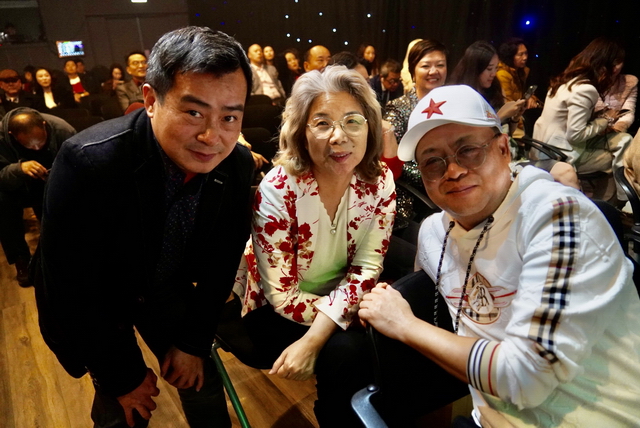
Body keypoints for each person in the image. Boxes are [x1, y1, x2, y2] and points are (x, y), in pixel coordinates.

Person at [359, 84, 640, 427]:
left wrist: (404, 325)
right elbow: (424, 295)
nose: (453, 170)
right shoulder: (433, 233)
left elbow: (527, 376)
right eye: (433, 161)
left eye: (468, 150)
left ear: (504, 149)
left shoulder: (560, 216)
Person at [34, 26, 255, 428]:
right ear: (151, 100)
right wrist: (121, 377)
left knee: (202, 381)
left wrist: (192, 343)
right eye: (193, 113)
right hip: (98, 296)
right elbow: (72, 287)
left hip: (163, 283)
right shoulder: (89, 162)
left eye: (229, 117)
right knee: (122, 408)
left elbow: (222, 262)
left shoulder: (236, 166)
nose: (212, 137)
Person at [234, 65, 395, 427]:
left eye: (353, 121)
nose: (339, 136)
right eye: (322, 123)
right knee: (350, 351)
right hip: (274, 309)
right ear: (301, 133)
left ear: (369, 127)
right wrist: (348, 317)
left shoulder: (380, 179)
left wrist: (315, 338)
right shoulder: (278, 189)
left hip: (345, 295)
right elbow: (283, 297)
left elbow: (367, 268)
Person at [533, 37, 633, 204]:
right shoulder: (585, 89)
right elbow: (575, 135)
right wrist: (606, 119)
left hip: (546, 147)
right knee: (619, 158)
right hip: (561, 154)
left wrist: (599, 118)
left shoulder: (567, 81)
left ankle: (612, 202)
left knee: (624, 140)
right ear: (606, 64)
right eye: (616, 63)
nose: (618, 68)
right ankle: (615, 203)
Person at [0, 107, 75, 286]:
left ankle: (61, 249)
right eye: (30, 146)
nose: (36, 148)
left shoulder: (62, 129)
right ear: (12, 135)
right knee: (2, 202)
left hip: (53, 180)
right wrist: (18, 169)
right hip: (16, 186)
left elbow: (78, 162)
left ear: (44, 125)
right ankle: (21, 259)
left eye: (40, 142)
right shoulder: (1, 138)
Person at [496, 38, 541, 137]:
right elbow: (507, 105)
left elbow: (523, 96)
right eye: (520, 54)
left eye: (526, 53)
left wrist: (531, 99)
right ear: (510, 56)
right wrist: (521, 123)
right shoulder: (503, 74)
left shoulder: (521, 72)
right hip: (508, 121)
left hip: (518, 116)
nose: (525, 57)